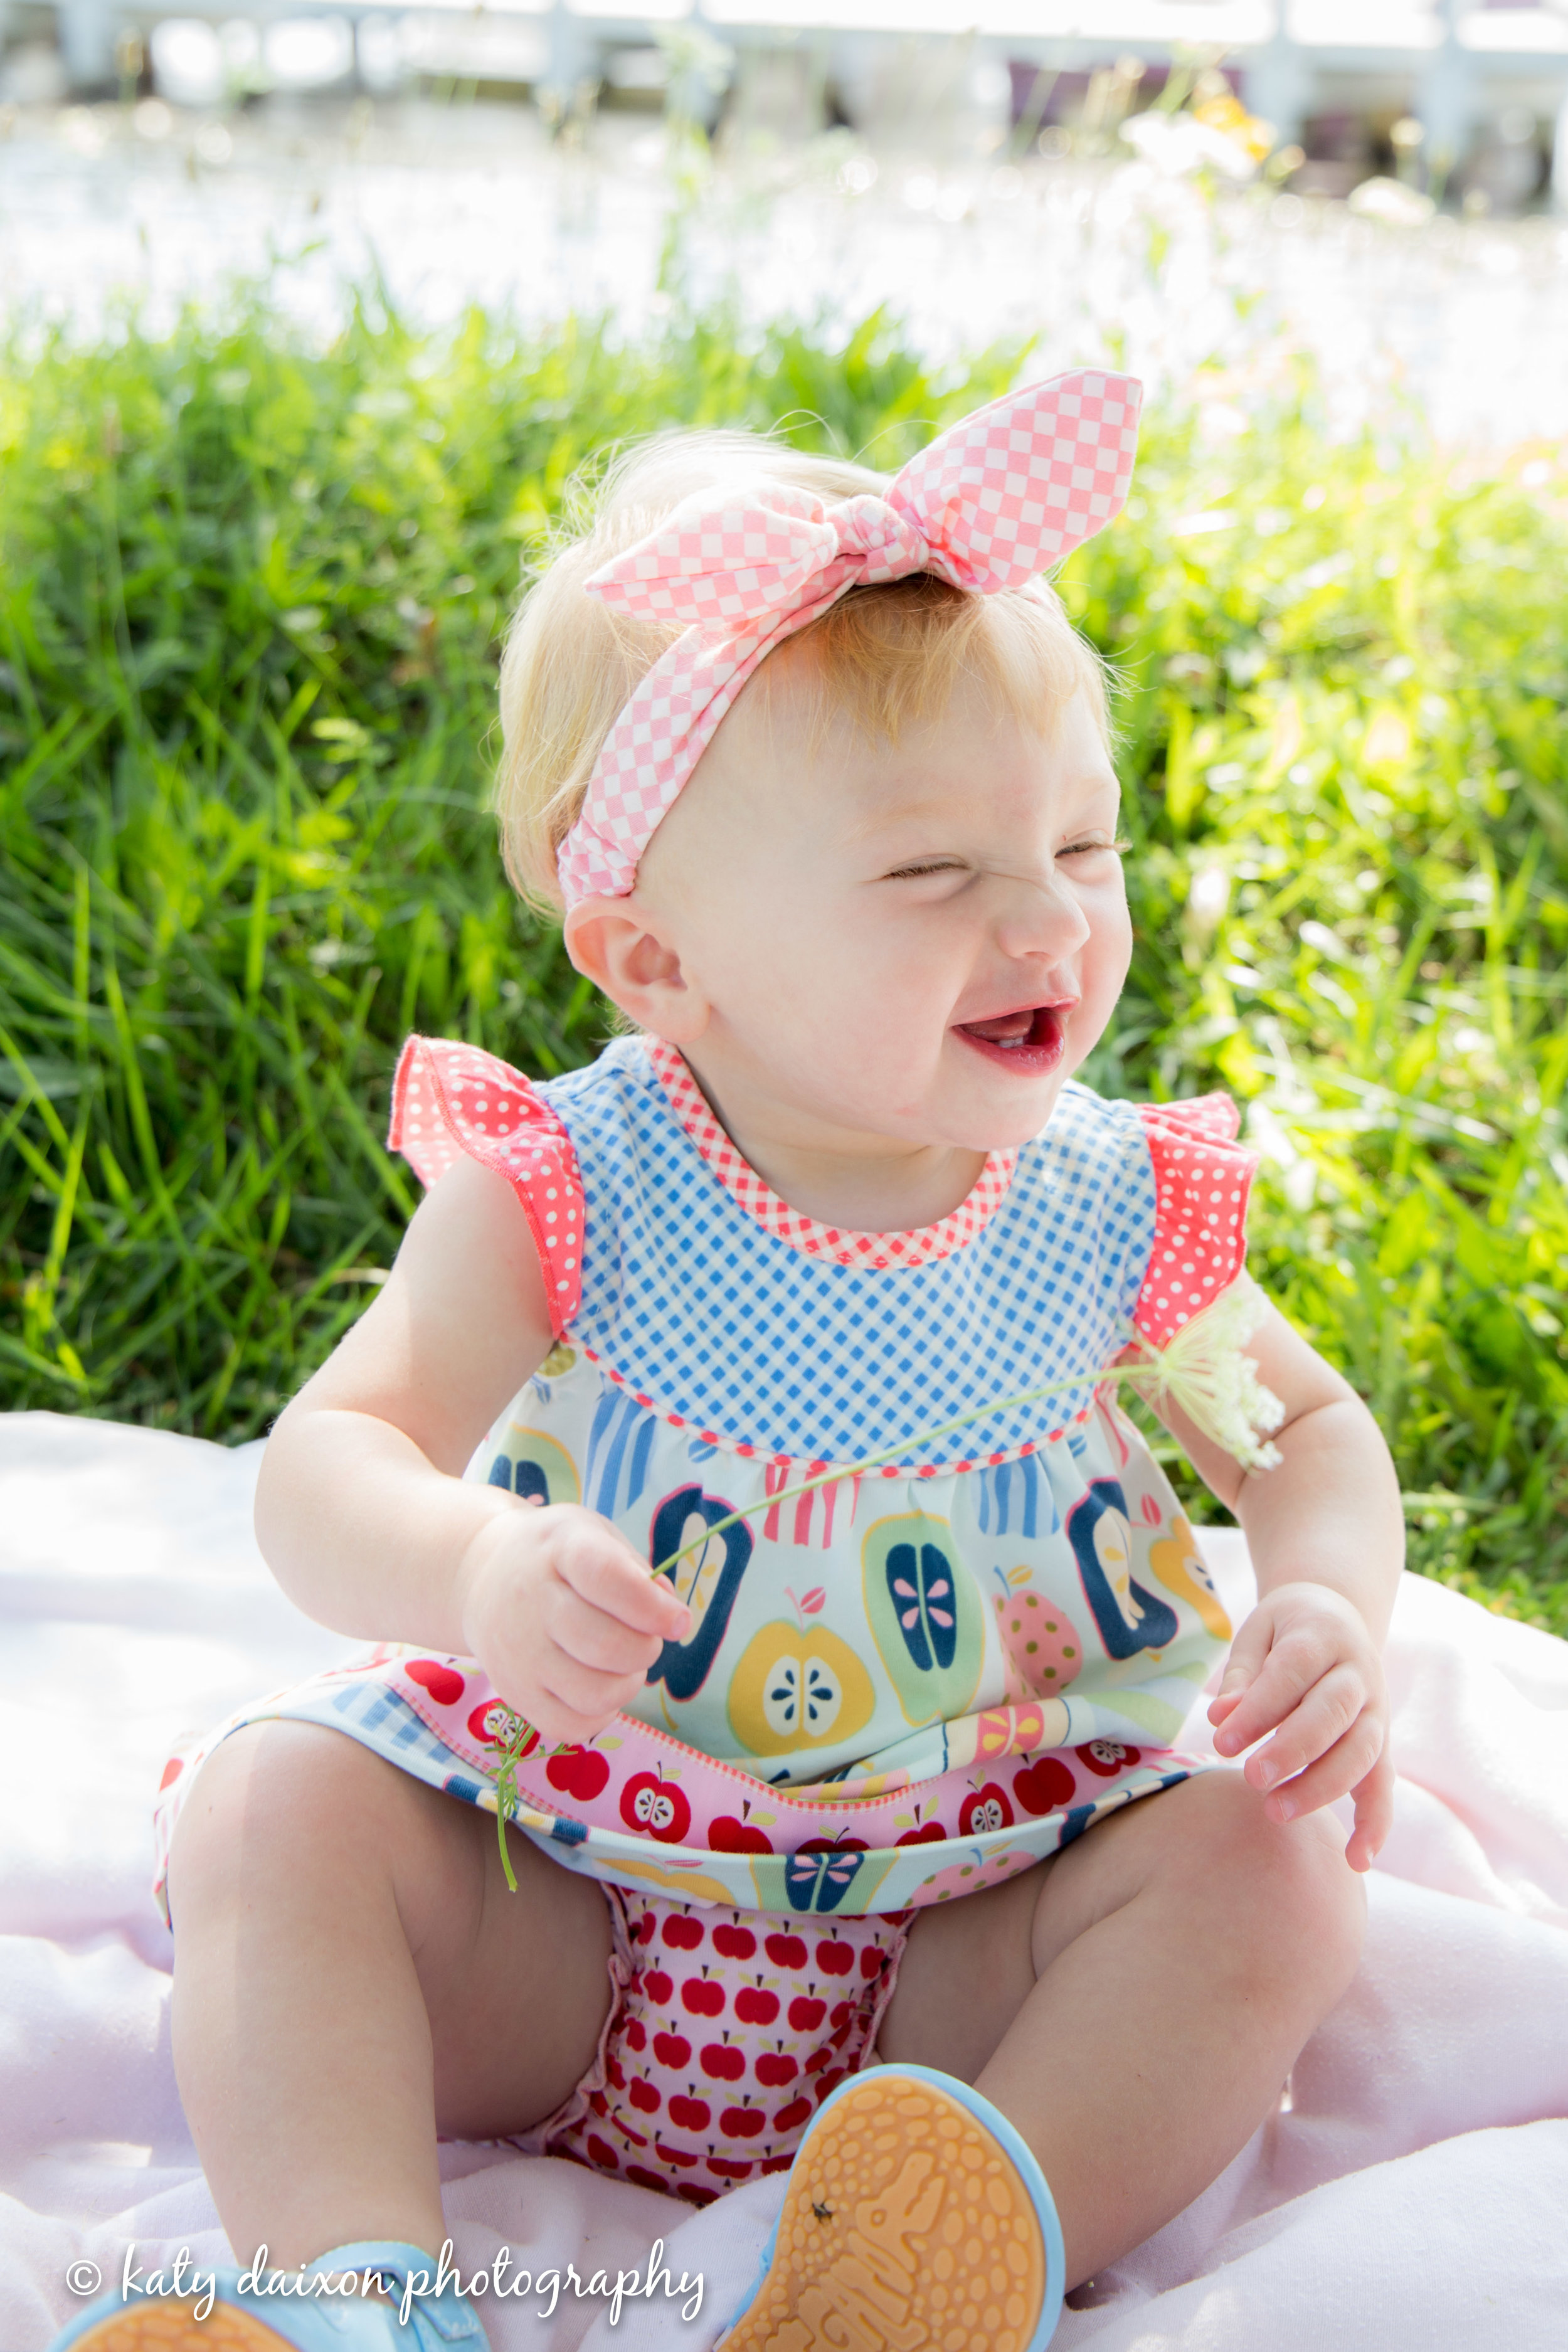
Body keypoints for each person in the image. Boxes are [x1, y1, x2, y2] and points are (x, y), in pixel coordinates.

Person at [55, 373, 1402, 2352]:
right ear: (653, 957)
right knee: (276, 1811)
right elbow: (327, 1459)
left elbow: (1302, 1441)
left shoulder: (1105, 1205)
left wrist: (1330, 1605)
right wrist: (466, 1572)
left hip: (978, 1916)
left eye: (1084, 847)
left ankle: (934, 2257)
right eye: (930, 874)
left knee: (1265, 1874)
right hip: (569, 1900)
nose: (1044, 917)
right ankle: (355, 2295)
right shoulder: (572, 1184)